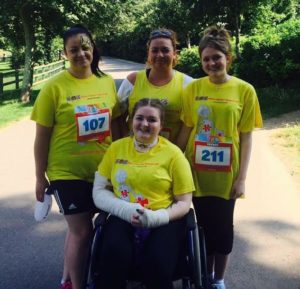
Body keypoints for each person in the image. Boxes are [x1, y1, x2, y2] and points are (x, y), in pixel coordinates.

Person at [31, 24, 121, 289]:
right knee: (82, 231)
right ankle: (77, 285)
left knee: (86, 230)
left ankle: (67, 278)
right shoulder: (54, 87)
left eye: (85, 47)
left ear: (93, 48)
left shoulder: (105, 82)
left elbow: (115, 124)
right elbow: (42, 137)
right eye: (74, 50)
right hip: (66, 172)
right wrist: (39, 177)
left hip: (102, 170)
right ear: (64, 54)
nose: (81, 53)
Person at [176, 26, 263, 289]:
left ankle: (218, 279)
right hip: (196, 172)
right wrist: (170, 161)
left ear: (228, 58)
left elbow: (246, 137)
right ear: (201, 61)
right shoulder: (193, 89)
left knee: (223, 230)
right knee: (201, 227)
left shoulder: (244, 90)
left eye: (217, 57)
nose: (211, 63)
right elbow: (187, 129)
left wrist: (242, 178)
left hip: (226, 175)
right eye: (206, 59)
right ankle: (203, 273)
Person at [92, 98, 195, 289]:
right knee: (113, 255)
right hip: (123, 214)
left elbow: (184, 202)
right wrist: (126, 209)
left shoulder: (174, 154)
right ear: (132, 121)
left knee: (157, 262)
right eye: (139, 118)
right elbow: (99, 191)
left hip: (163, 218)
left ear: (161, 125)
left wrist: (155, 218)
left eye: (152, 120)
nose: (145, 124)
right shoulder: (116, 148)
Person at [117, 28, 193, 142]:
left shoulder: (187, 84)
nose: (160, 55)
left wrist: (175, 154)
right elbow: (118, 117)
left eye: (165, 50)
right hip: (134, 154)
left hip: (169, 156)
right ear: (148, 53)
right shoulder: (133, 80)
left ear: (174, 54)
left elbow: (187, 126)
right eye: (155, 50)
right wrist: (126, 142)